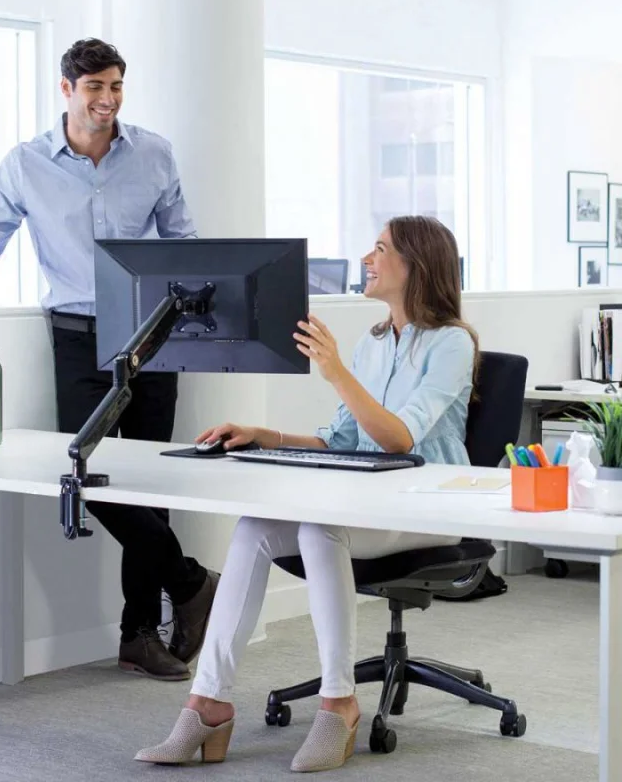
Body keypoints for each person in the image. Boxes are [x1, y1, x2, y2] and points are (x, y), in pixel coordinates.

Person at [0, 38, 219, 682]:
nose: (107, 100)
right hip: (79, 335)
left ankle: (139, 635)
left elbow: (183, 242)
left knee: (148, 483)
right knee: (87, 471)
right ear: (66, 89)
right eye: (95, 88)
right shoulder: (26, 164)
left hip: (154, 334)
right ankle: (190, 581)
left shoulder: (155, 153)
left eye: (116, 86)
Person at [135, 215, 479, 773]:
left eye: (380, 249)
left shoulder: (452, 344)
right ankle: (207, 704)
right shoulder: (373, 344)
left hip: (430, 505)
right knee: (254, 526)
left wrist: (336, 371)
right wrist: (260, 434)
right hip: (370, 501)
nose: (366, 259)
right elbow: (337, 439)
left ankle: (339, 704)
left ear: (416, 264)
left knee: (320, 526)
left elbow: (399, 439)